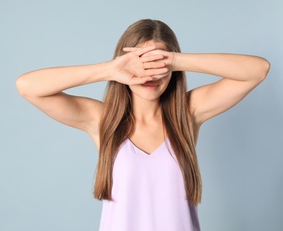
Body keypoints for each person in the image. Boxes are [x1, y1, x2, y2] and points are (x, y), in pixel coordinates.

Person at [15, 19, 270, 231]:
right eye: (141, 63)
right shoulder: (102, 120)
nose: (150, 74)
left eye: (158, 63)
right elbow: (28, 86)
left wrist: (174, 61)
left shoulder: (189, 113)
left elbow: (258, 69)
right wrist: (110, 70)